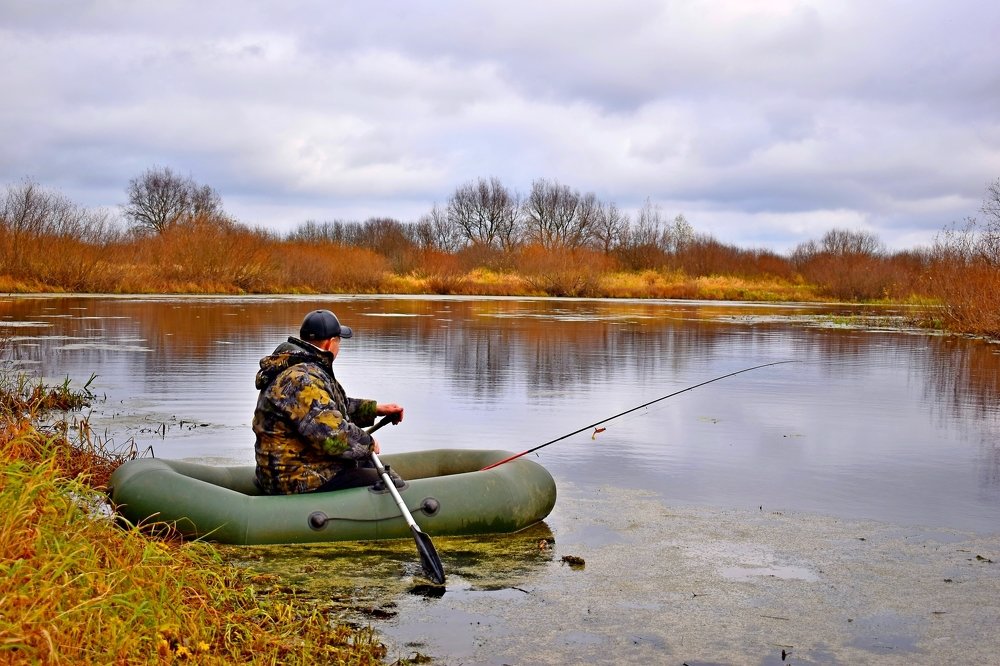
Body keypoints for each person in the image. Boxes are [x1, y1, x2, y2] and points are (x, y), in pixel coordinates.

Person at [252, 309, 404, 495]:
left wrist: (375, 410)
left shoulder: (300, 368)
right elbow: (332, 435)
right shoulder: (302, 379)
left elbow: (327, 409)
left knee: (366, 462)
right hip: (296, 479)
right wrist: (368, 443)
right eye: (339, 341)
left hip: (293, 467)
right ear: (330, 343)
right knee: (389, 482)